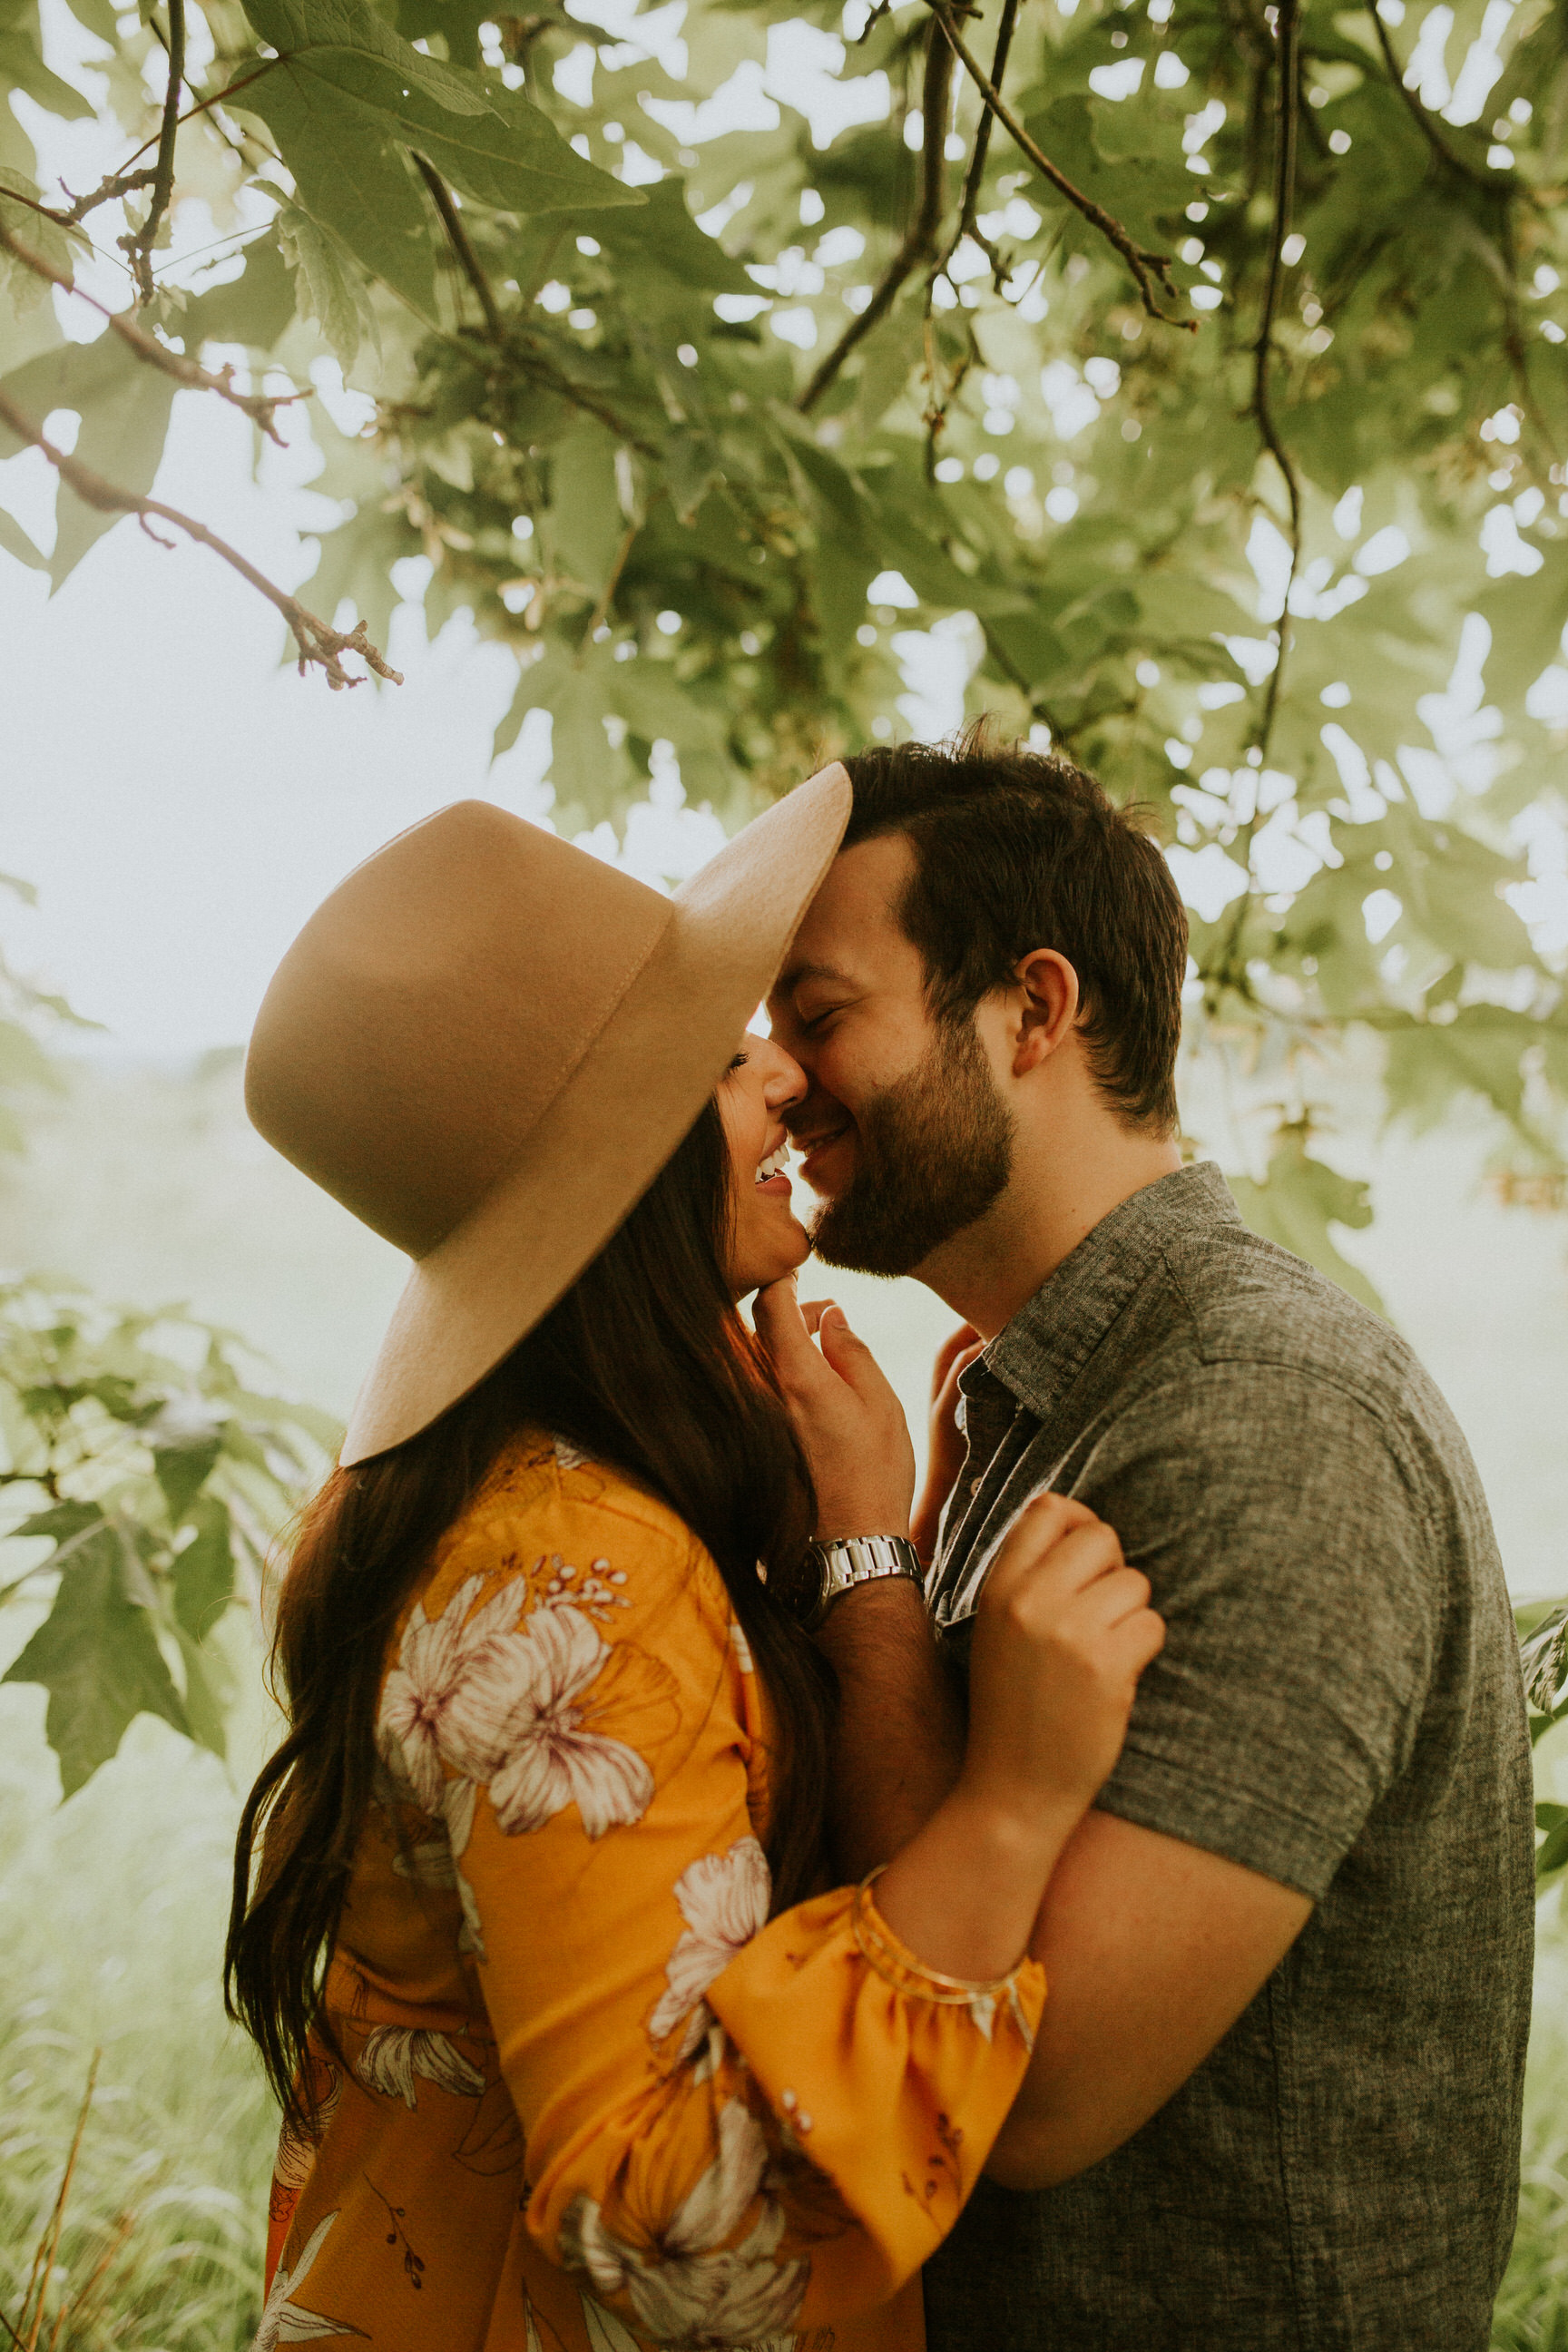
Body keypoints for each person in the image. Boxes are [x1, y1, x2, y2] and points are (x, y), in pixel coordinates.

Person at [223, 772, 1165, 2352]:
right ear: (623, 1158)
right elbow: (673, 2229)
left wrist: (854, 1544)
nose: (788, 1085)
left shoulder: (507, 1503)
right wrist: (1010, 1806)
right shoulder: (571, 1572)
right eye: (731, 1058)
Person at [759, 728, 1535, 2352]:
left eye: (820, 1018)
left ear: (1033, 1010)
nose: (775, 1081)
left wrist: (865, 1570)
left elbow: (1029, 2099)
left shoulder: (1271, 1423)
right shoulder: (1038, 1393)